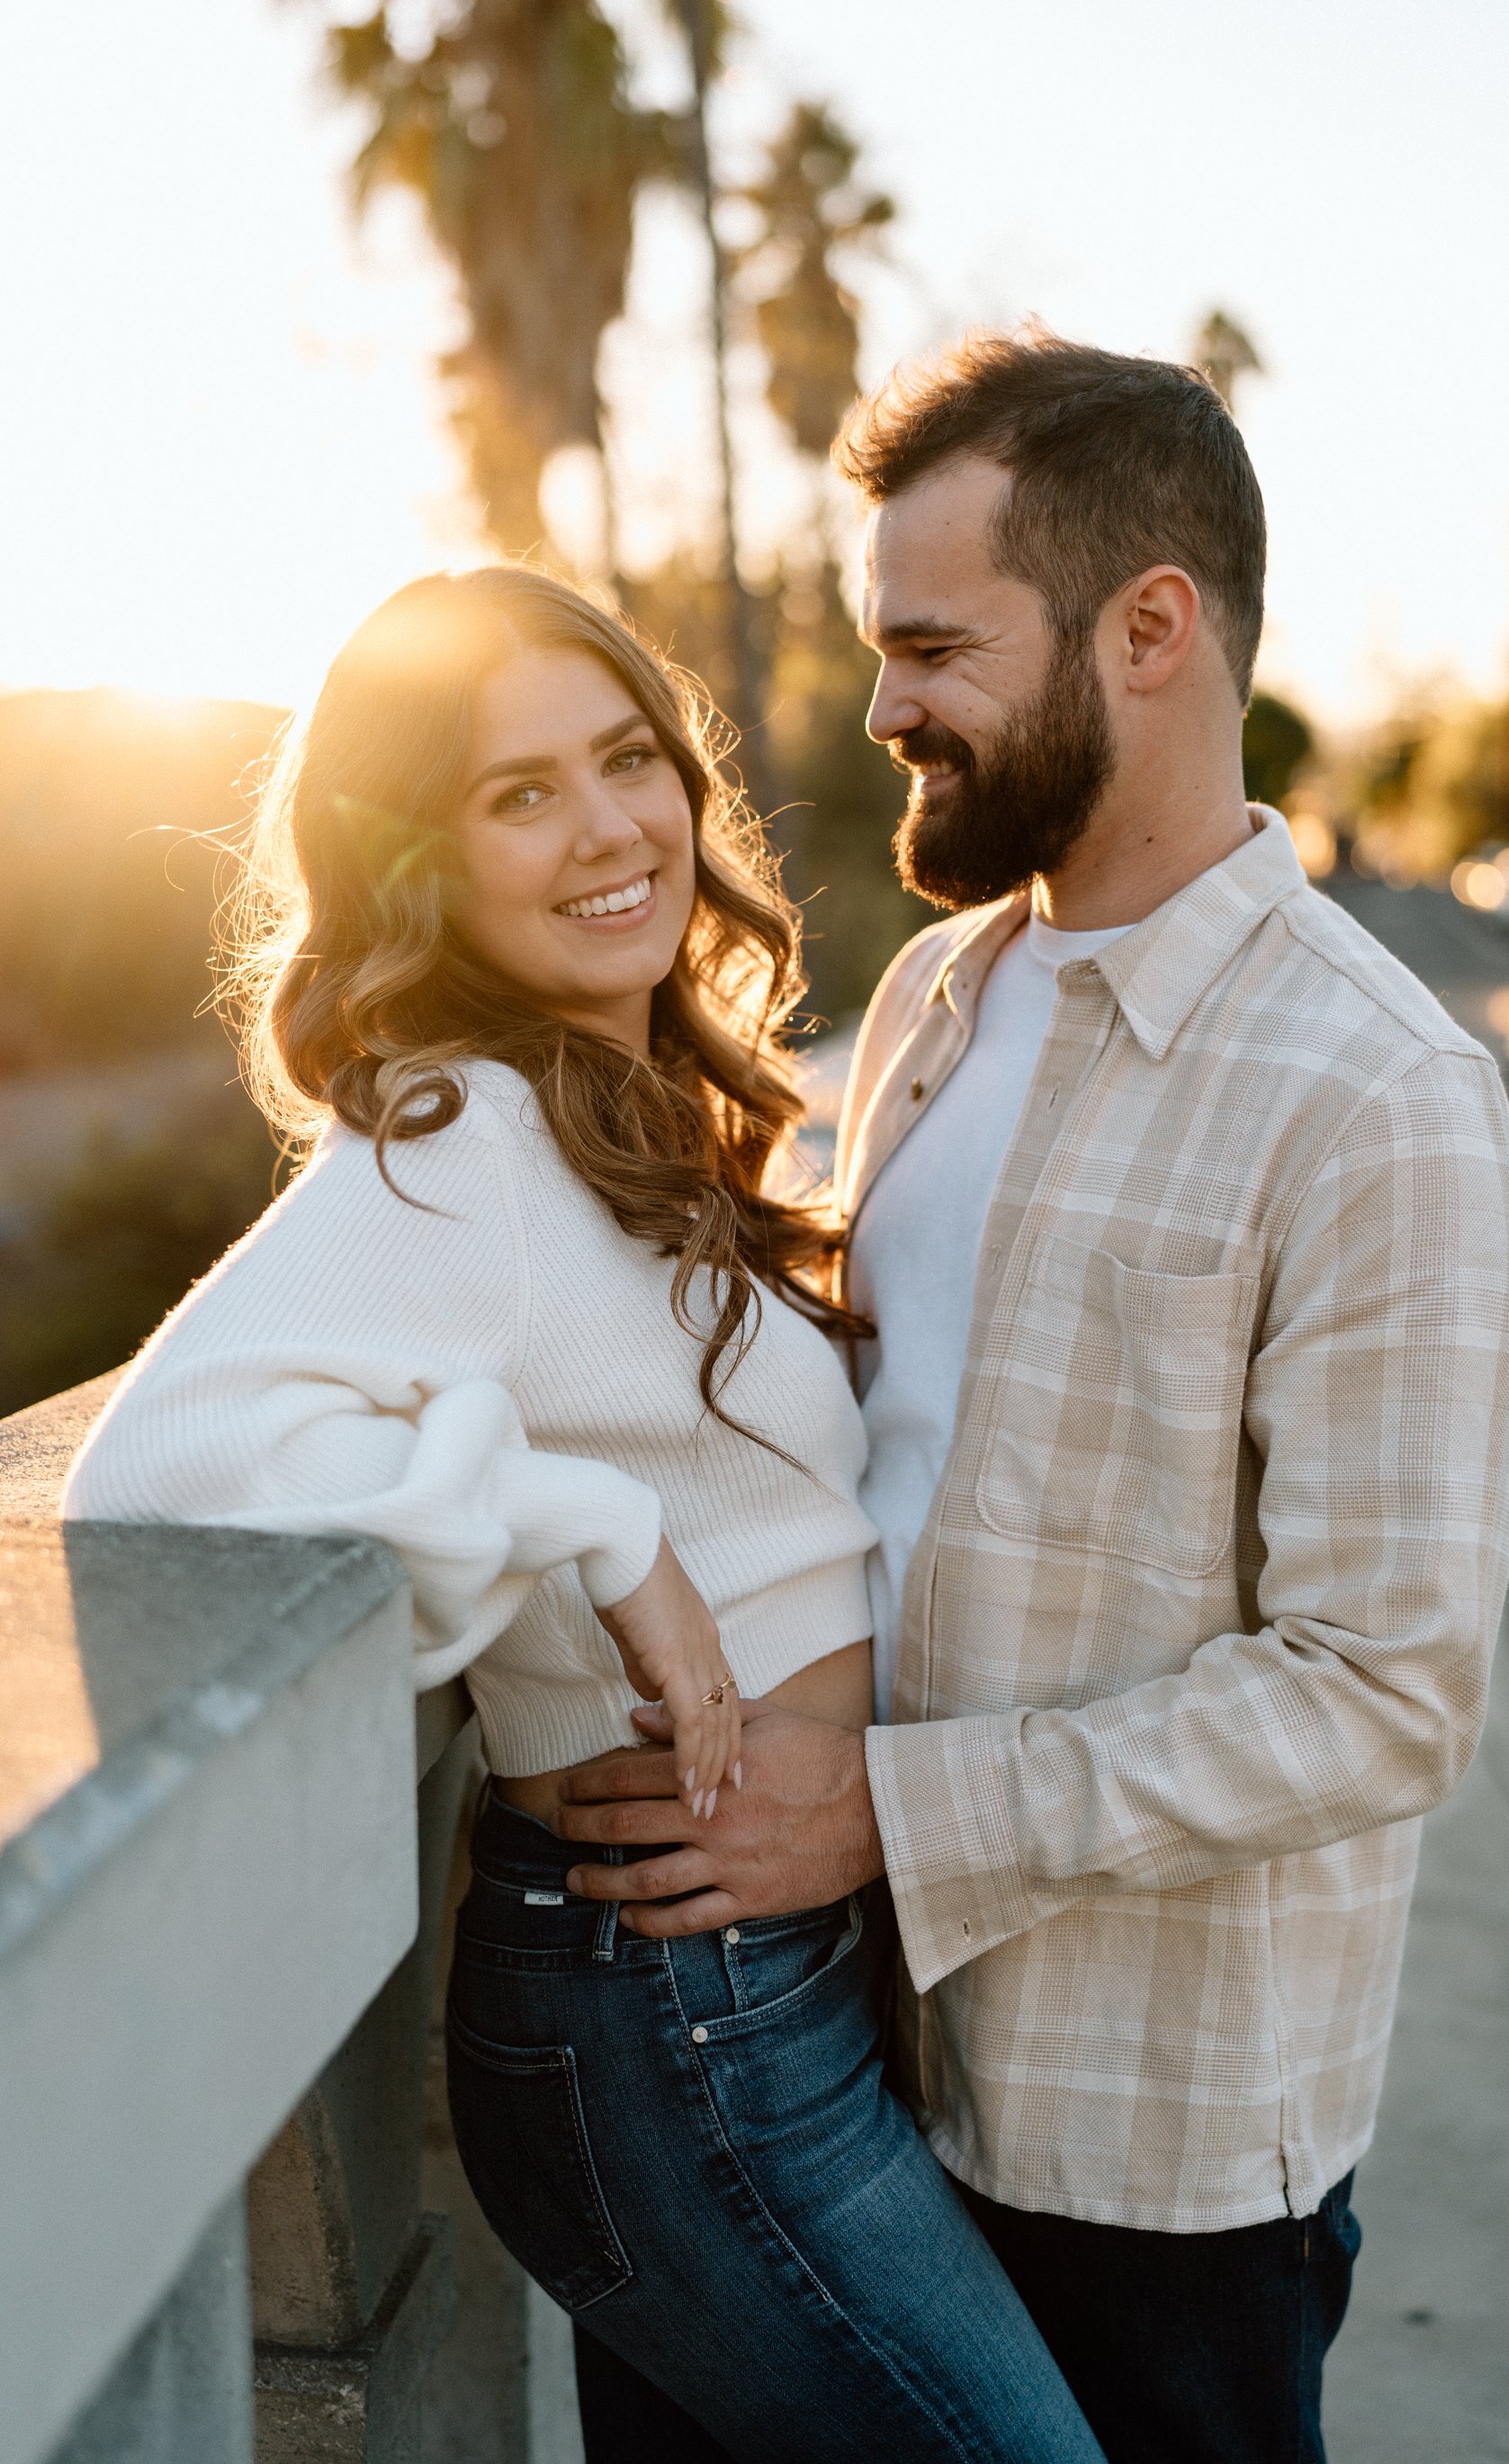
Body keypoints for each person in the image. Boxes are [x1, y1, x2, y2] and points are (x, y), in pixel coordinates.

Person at [550, 328, 1509, 2464]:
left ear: (1149, 627)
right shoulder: (933, 987)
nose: (886, 705)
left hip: (1148, 2155)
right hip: (828, 2050)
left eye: (931, 646)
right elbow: (882, 1431)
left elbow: (1387, 1686)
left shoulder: (1384, 1095)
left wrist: (883, 1816)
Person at [61, 566, 1105, 2464]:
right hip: (672, 2016)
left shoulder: (608, 1109)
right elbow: (162, 1469)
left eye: (625, 757)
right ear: (413, 864)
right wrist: (591, 1529)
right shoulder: (456, 1141)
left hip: (752, 1975)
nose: (610, 825)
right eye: (513, 792)